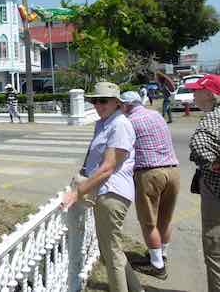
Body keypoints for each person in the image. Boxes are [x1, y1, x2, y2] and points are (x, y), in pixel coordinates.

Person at [62, 82, 143, 292]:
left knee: (111, 254)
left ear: (117, 102)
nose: (98, 105)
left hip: (113, 193)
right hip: (104, 192)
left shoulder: (120, 125)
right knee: (111, 250)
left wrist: (77, 192)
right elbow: (94, 159)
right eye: (94, 100)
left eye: (103, 101)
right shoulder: (103, 123)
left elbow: (108, 167)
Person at [120, 91, 179, 280]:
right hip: (173, 171)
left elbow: (124, 151)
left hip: (150, 173)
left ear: (127, 105)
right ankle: (162, 254)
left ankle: (157, 266)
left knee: (148, 222)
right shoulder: (155, 114)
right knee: (165, 219)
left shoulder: (129, 122)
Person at [186, 74, 220, 292]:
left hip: (215, 192)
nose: (193, 95)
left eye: (196, 91)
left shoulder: (210, 120)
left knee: (215, 248)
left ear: (209, 94)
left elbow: (198, 147)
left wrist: (213, 165)